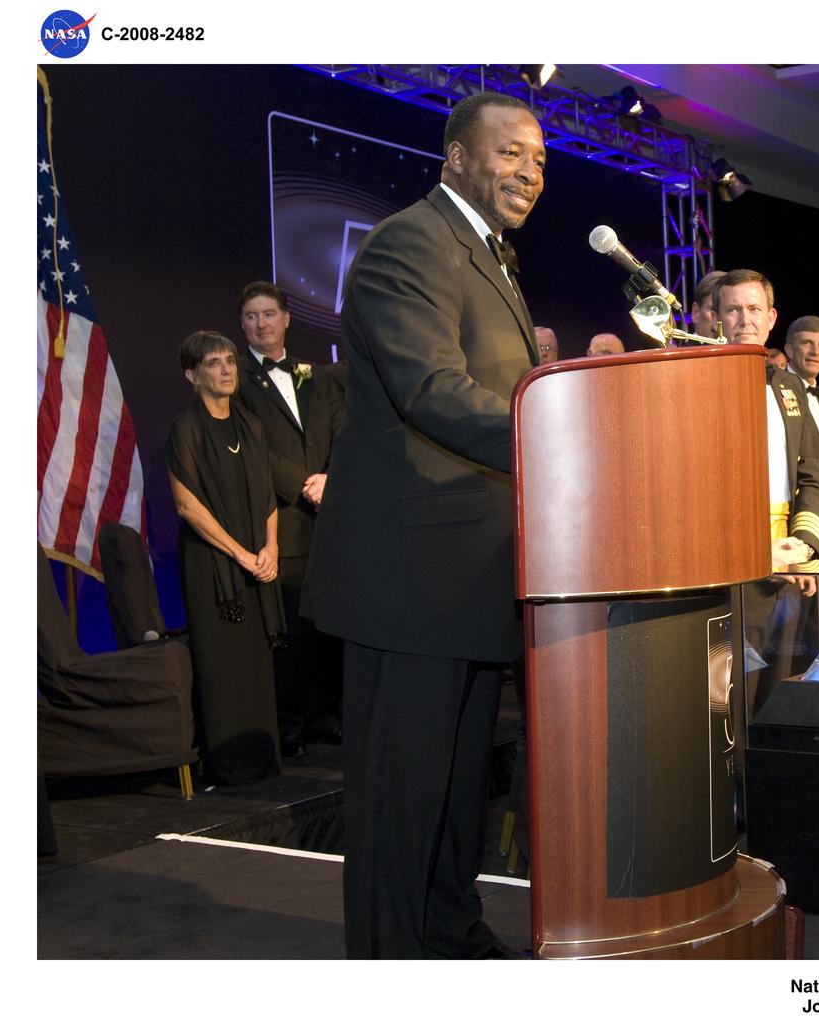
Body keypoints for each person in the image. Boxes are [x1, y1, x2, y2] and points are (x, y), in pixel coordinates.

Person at [302, 91, 545, 959]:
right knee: (400, 799)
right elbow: (431, 392)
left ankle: (450, 934)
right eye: (511, 153)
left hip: (470, 578)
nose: (530, 171)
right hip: (408, 582)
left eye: (540, 160)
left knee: (452, 794)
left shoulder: (491, 257)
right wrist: (558, 435)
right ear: (456, 158)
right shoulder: (409, 243)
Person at [168, 331, 283, 786]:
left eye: (230, 360)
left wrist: (270, 548)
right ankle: (227, 767)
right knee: (221, 662)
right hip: (211, 565)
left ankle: (261, 760)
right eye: (214, 363)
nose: (227, 369)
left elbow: (268, 495)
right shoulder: (186, 429)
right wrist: (239, 553)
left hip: (257, 562)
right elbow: (186, 505)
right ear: (192, 375)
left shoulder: (252, 425)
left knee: (255, 660)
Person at [234, 280, 342, 755]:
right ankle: (291, 721)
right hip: (284, 519)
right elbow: (252, 446)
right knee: (291, 629)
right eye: (252, 316)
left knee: (328, 624)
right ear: (243, 324)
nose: (261, 323)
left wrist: (330, 478)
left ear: (286, 319)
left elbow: (343, 430)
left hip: (330, 517)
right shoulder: (234, 380)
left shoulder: (314, 375)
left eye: (269, 314)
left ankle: (327, 717)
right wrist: (303, 482)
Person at [715, 269, 819, 573]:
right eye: (733, 309)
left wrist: (804, 546)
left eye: (754, 309)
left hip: (789, 560)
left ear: (771, 318)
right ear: (717, 319)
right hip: (726, 559)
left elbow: (809, 473)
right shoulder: (698, 385)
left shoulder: (789, 386)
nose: (745, 320)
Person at [782, 315, 819, 560]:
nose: (815, 351)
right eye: (807, 343)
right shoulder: (777, 393)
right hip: (794, 529)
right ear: (789, 349)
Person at [689, 269, 726, 340]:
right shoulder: (685, 351)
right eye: (714, 310)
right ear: (695, 312)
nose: (720, 319)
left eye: (729, 310)